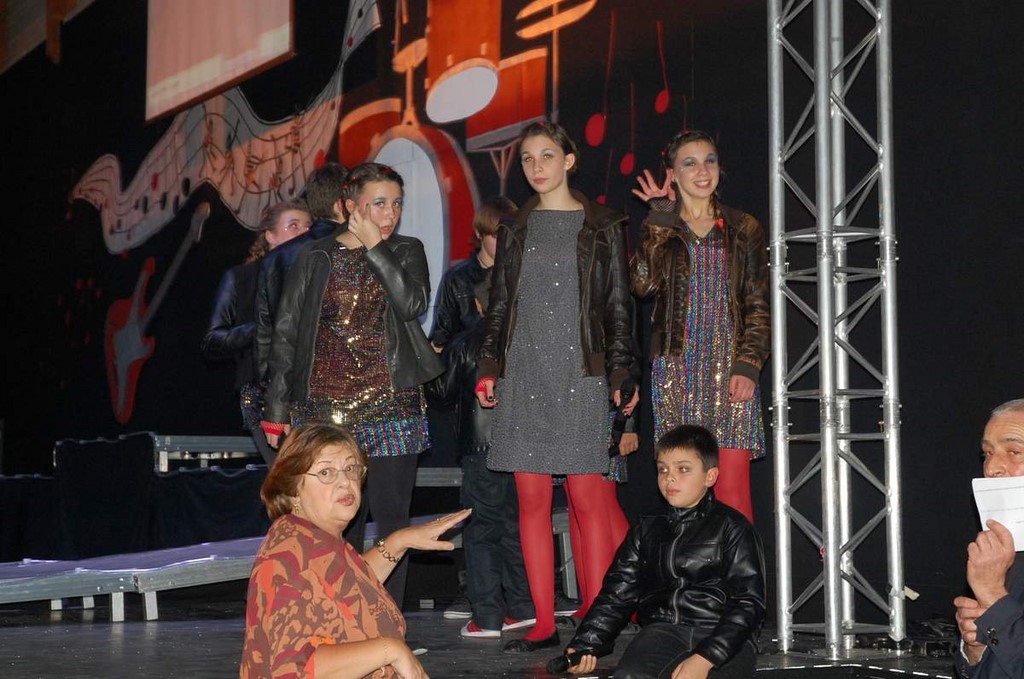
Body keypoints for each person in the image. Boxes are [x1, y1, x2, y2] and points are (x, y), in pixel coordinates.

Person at [476, 120, 639, 652]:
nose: (536, 166)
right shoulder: (514, 229)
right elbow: (499, 305)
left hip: (581, 375)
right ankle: (544, 622)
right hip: (524, 373)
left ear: (569, 160)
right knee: (530, 503)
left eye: (547, 155)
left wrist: (622, 373)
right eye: (527, 158)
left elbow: (618, 307)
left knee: (588, 501)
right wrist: (488, 366)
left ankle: (596, 620)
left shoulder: (604, 225)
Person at [261, 162, 444, 609]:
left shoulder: (406, 250)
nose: (390, 213)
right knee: (336, 521)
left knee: (393, 520)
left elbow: (413, 303)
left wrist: (377, 247)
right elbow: (286, 333)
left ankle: (387, 620)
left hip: (392, 406)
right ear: (349, 206)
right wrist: (277, 408)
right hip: (326, 410)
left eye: (396, 203)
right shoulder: (315, 256)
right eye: (378, 203)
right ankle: (337, 617)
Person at [240, 422, 471, 679]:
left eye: (350, 469)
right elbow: (298, 668)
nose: (345, 482)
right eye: (326, 472)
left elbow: (345, 589)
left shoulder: (312, 538)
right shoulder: (290, 557)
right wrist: (390, 650)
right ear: (293, 489)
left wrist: (398, 541)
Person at [630, 130, 769, 523]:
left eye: (710, 160)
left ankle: (738, 567)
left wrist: (748, 365)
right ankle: (689, 566)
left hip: (731, 369)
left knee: (733, 491)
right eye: (689, 162)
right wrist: (659, 217)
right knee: (683, 490)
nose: (702, 170)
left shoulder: (743, 227)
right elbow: (641, 285)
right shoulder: (662, 224)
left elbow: (758, 304)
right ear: (673, 174)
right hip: (676, 369)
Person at [559, 424, 765, 679]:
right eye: (663, 469)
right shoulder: (647, 526)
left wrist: (707, 657)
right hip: (663, 631)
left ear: (710, 477)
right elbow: (617, 592)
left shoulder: (732, 527)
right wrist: (585, 643)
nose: (670, 478)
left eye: (683, 469)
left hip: (724, 635)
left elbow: (749, 603)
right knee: (629, 675)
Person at [431, 276, 535, 639]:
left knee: (481, 532)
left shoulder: (466, 341)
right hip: (525, 449)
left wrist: (433, 358)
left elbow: (441, 393)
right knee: (517, 527)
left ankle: (488, 615)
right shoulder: (528, 340)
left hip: (481, 448)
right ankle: (523, 606)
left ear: (477, 305)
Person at [202, 199, 311, 465]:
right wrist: (262, 327)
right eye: (293, 226)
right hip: (263, 392)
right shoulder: (242, 277)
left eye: (308, 226)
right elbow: (212, 340)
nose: (304, 233)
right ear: (270, 236)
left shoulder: (318, 273)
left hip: (313, 392)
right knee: (290, 476)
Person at [255, 161, 348, 386]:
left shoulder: (275, 258)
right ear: (342, 203)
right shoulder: (353, 247)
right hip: (344, 380)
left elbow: (265, 334)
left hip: (291, 381)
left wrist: (270, 387)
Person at [954, 399, 1024, 679]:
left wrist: (993, 596)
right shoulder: (1007, 551)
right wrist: (974, 649)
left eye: (1014, 452)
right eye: (987, 453)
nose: (992, 467)